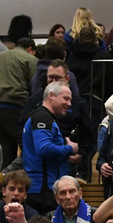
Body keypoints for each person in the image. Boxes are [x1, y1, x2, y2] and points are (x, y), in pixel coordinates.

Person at [0, 37, 38, 167]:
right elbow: (36, 88)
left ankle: (0, 181)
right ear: (30, 49)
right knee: (27, 147)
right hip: (17, 106)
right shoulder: (31, 60)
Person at [21, 82, 82, 214]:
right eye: (65, 98)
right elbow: (43, 148)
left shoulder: (46, 117)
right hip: (42, 191)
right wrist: (70, 149)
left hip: (44, 188)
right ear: (51, 96)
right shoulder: (42, 117)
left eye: (70, 99)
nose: (69, 103)